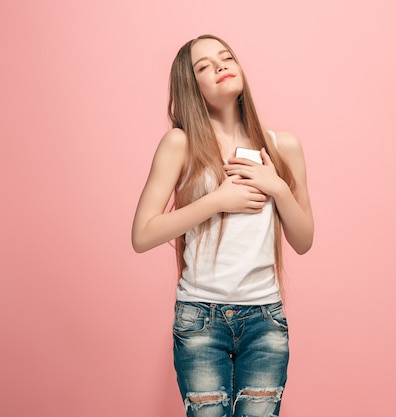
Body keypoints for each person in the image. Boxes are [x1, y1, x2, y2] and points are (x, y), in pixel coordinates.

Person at [131, 34, 314, 417]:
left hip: (265, 318)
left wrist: (277, 187)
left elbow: (303, 240)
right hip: (200, 317)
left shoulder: (284, 147)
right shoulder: (179, 144)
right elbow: (143, 234)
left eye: (225, 57)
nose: (219, 66)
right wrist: (217, 201)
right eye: (203, 66)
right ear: (191, 86)